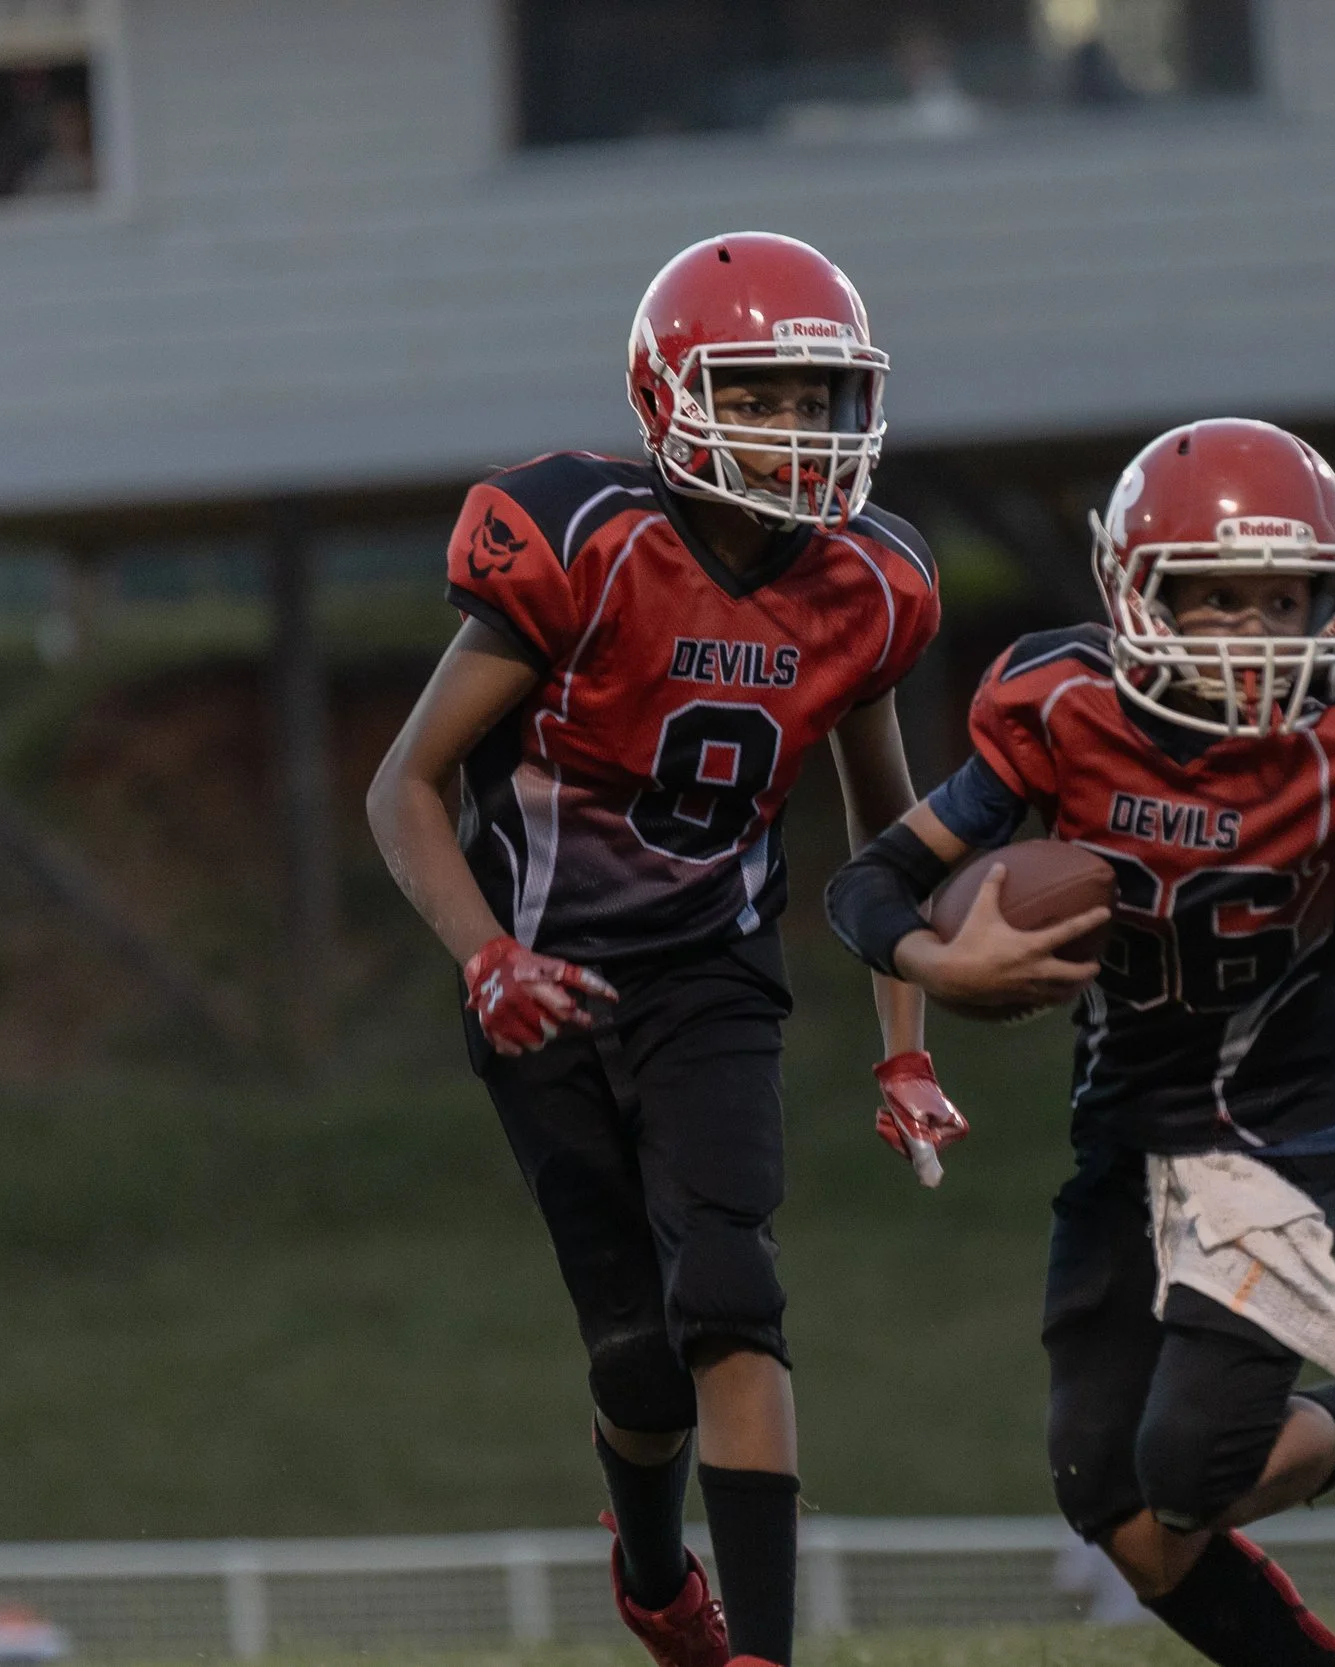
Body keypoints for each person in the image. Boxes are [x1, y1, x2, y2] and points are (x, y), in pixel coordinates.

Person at [827, 418, 1335, 1667]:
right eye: (1216, 597)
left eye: (1282, 598)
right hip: (1124, 1142)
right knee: (1120, 1515)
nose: (1251, 629)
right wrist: (933, 956)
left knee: (1186, 1473)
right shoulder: (1062, 707)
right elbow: (871, 882)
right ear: (1136, 593)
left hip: (1272, 1144)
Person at [366, 231, 955, 1667]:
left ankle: (759, 1651)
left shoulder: (865, 587)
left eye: (822, 400)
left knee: (733, 1298)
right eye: (762, 395)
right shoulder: (586, 544)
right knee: (637, 1360)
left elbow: (892, 852)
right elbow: (403, 785)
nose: (801, 432)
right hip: (544, 978)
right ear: (670, 393)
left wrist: (906, 1046)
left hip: (710, 970)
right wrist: (484, 954)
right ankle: (649, 1570)